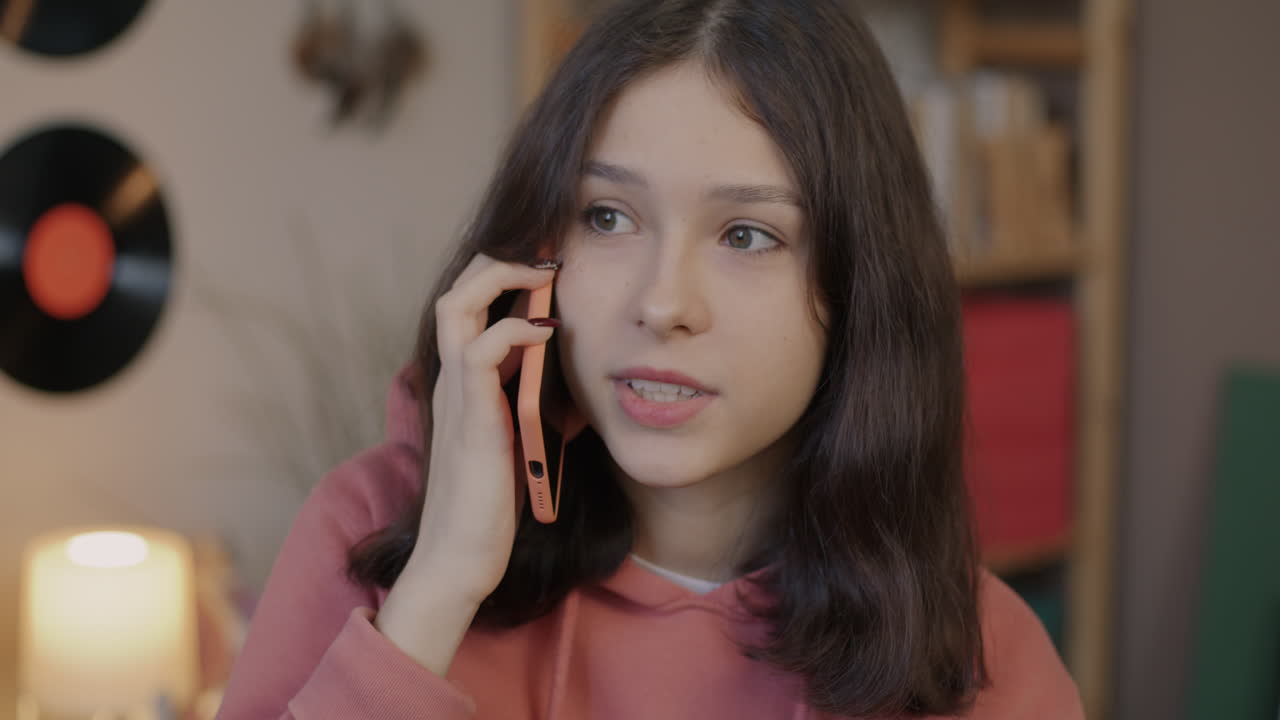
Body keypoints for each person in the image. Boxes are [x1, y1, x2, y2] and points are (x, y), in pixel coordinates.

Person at [216, 1, 1083, 718]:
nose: (663, 303)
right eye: (608, 217)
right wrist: (439, 583)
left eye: (747, 235)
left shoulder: (983, 656)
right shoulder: (370, 529)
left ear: (860, 287)